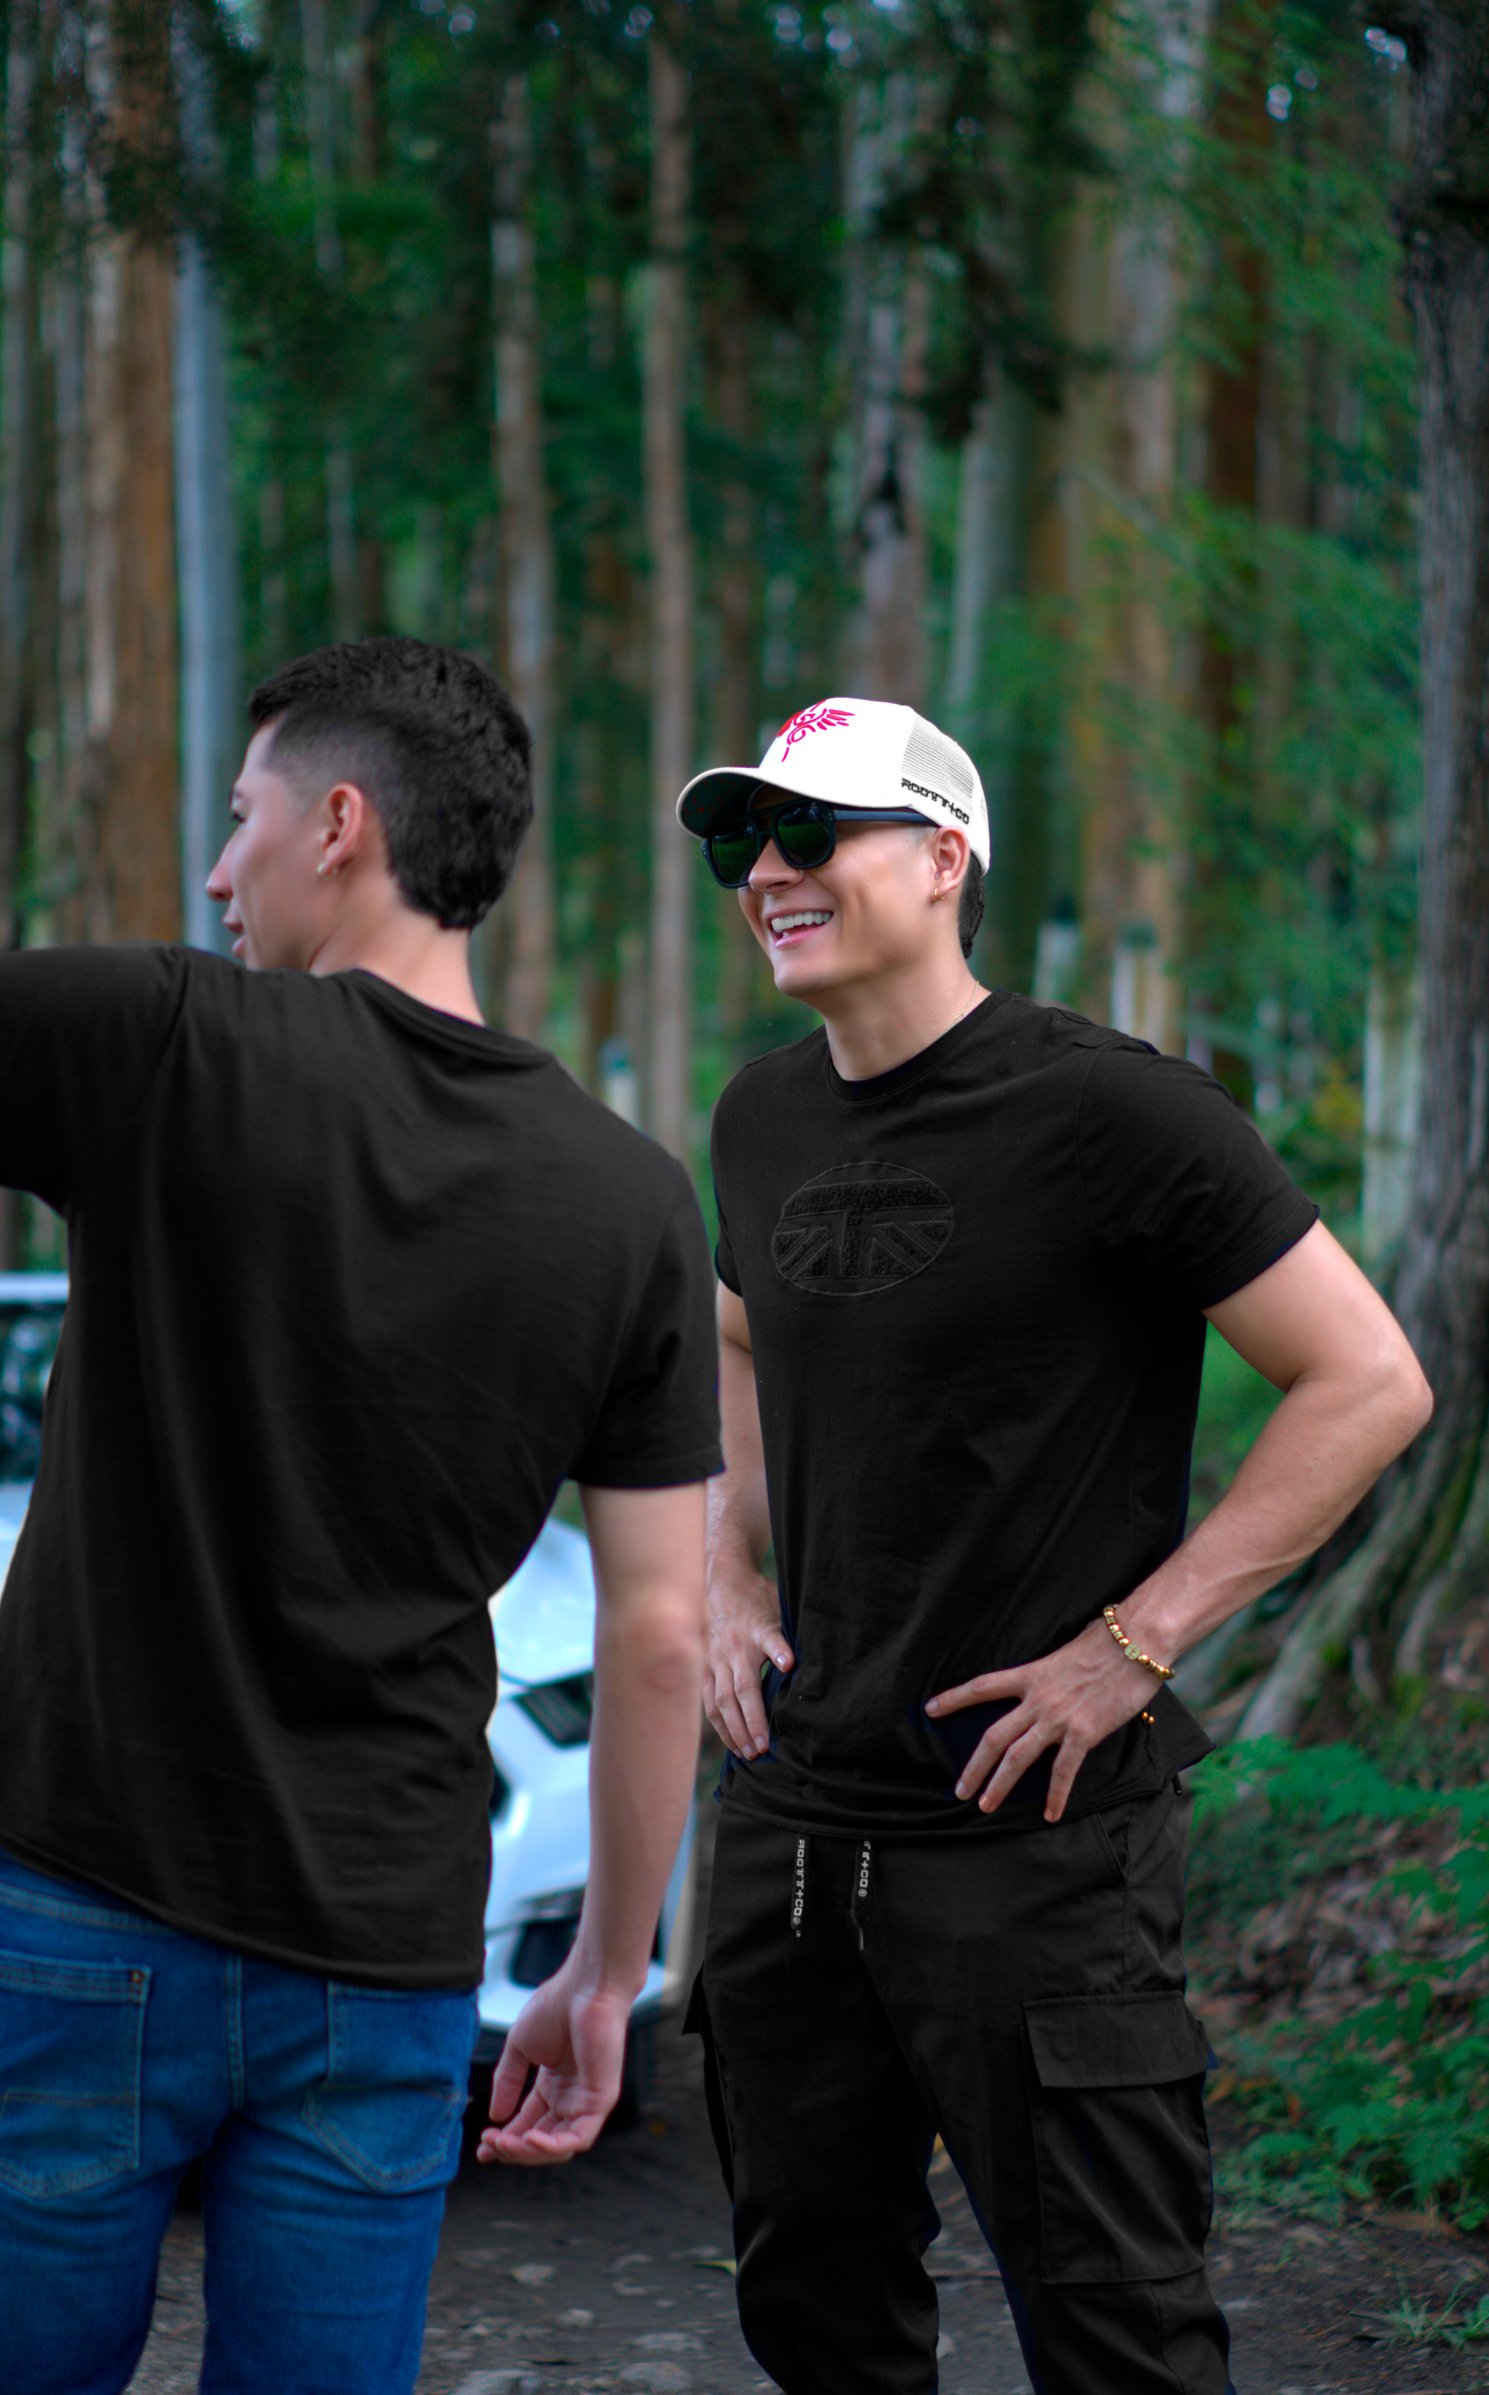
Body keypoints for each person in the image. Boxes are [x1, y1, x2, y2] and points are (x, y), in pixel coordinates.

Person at [677, 695, 1432, 2395]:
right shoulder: (759, 1117)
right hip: (796, 1827)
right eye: (742, 840)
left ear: (945, 859)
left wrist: (1136, 1645)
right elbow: (735, 1339)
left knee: (1117, 2334)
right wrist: (727, 1569)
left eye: (812, 832)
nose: (768, 872)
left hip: (1035, 1835)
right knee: (815, 2312)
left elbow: (1368, 1381)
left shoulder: (1116, 1111)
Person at [0, 639, 721, 2395]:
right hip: (384, 1959)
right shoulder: (631, 1200)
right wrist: (603, 1975)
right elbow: (661, 1632)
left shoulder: (159, 1043)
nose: (216, 872)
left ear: (340, 825)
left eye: (240, 818)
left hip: (81, 1910)